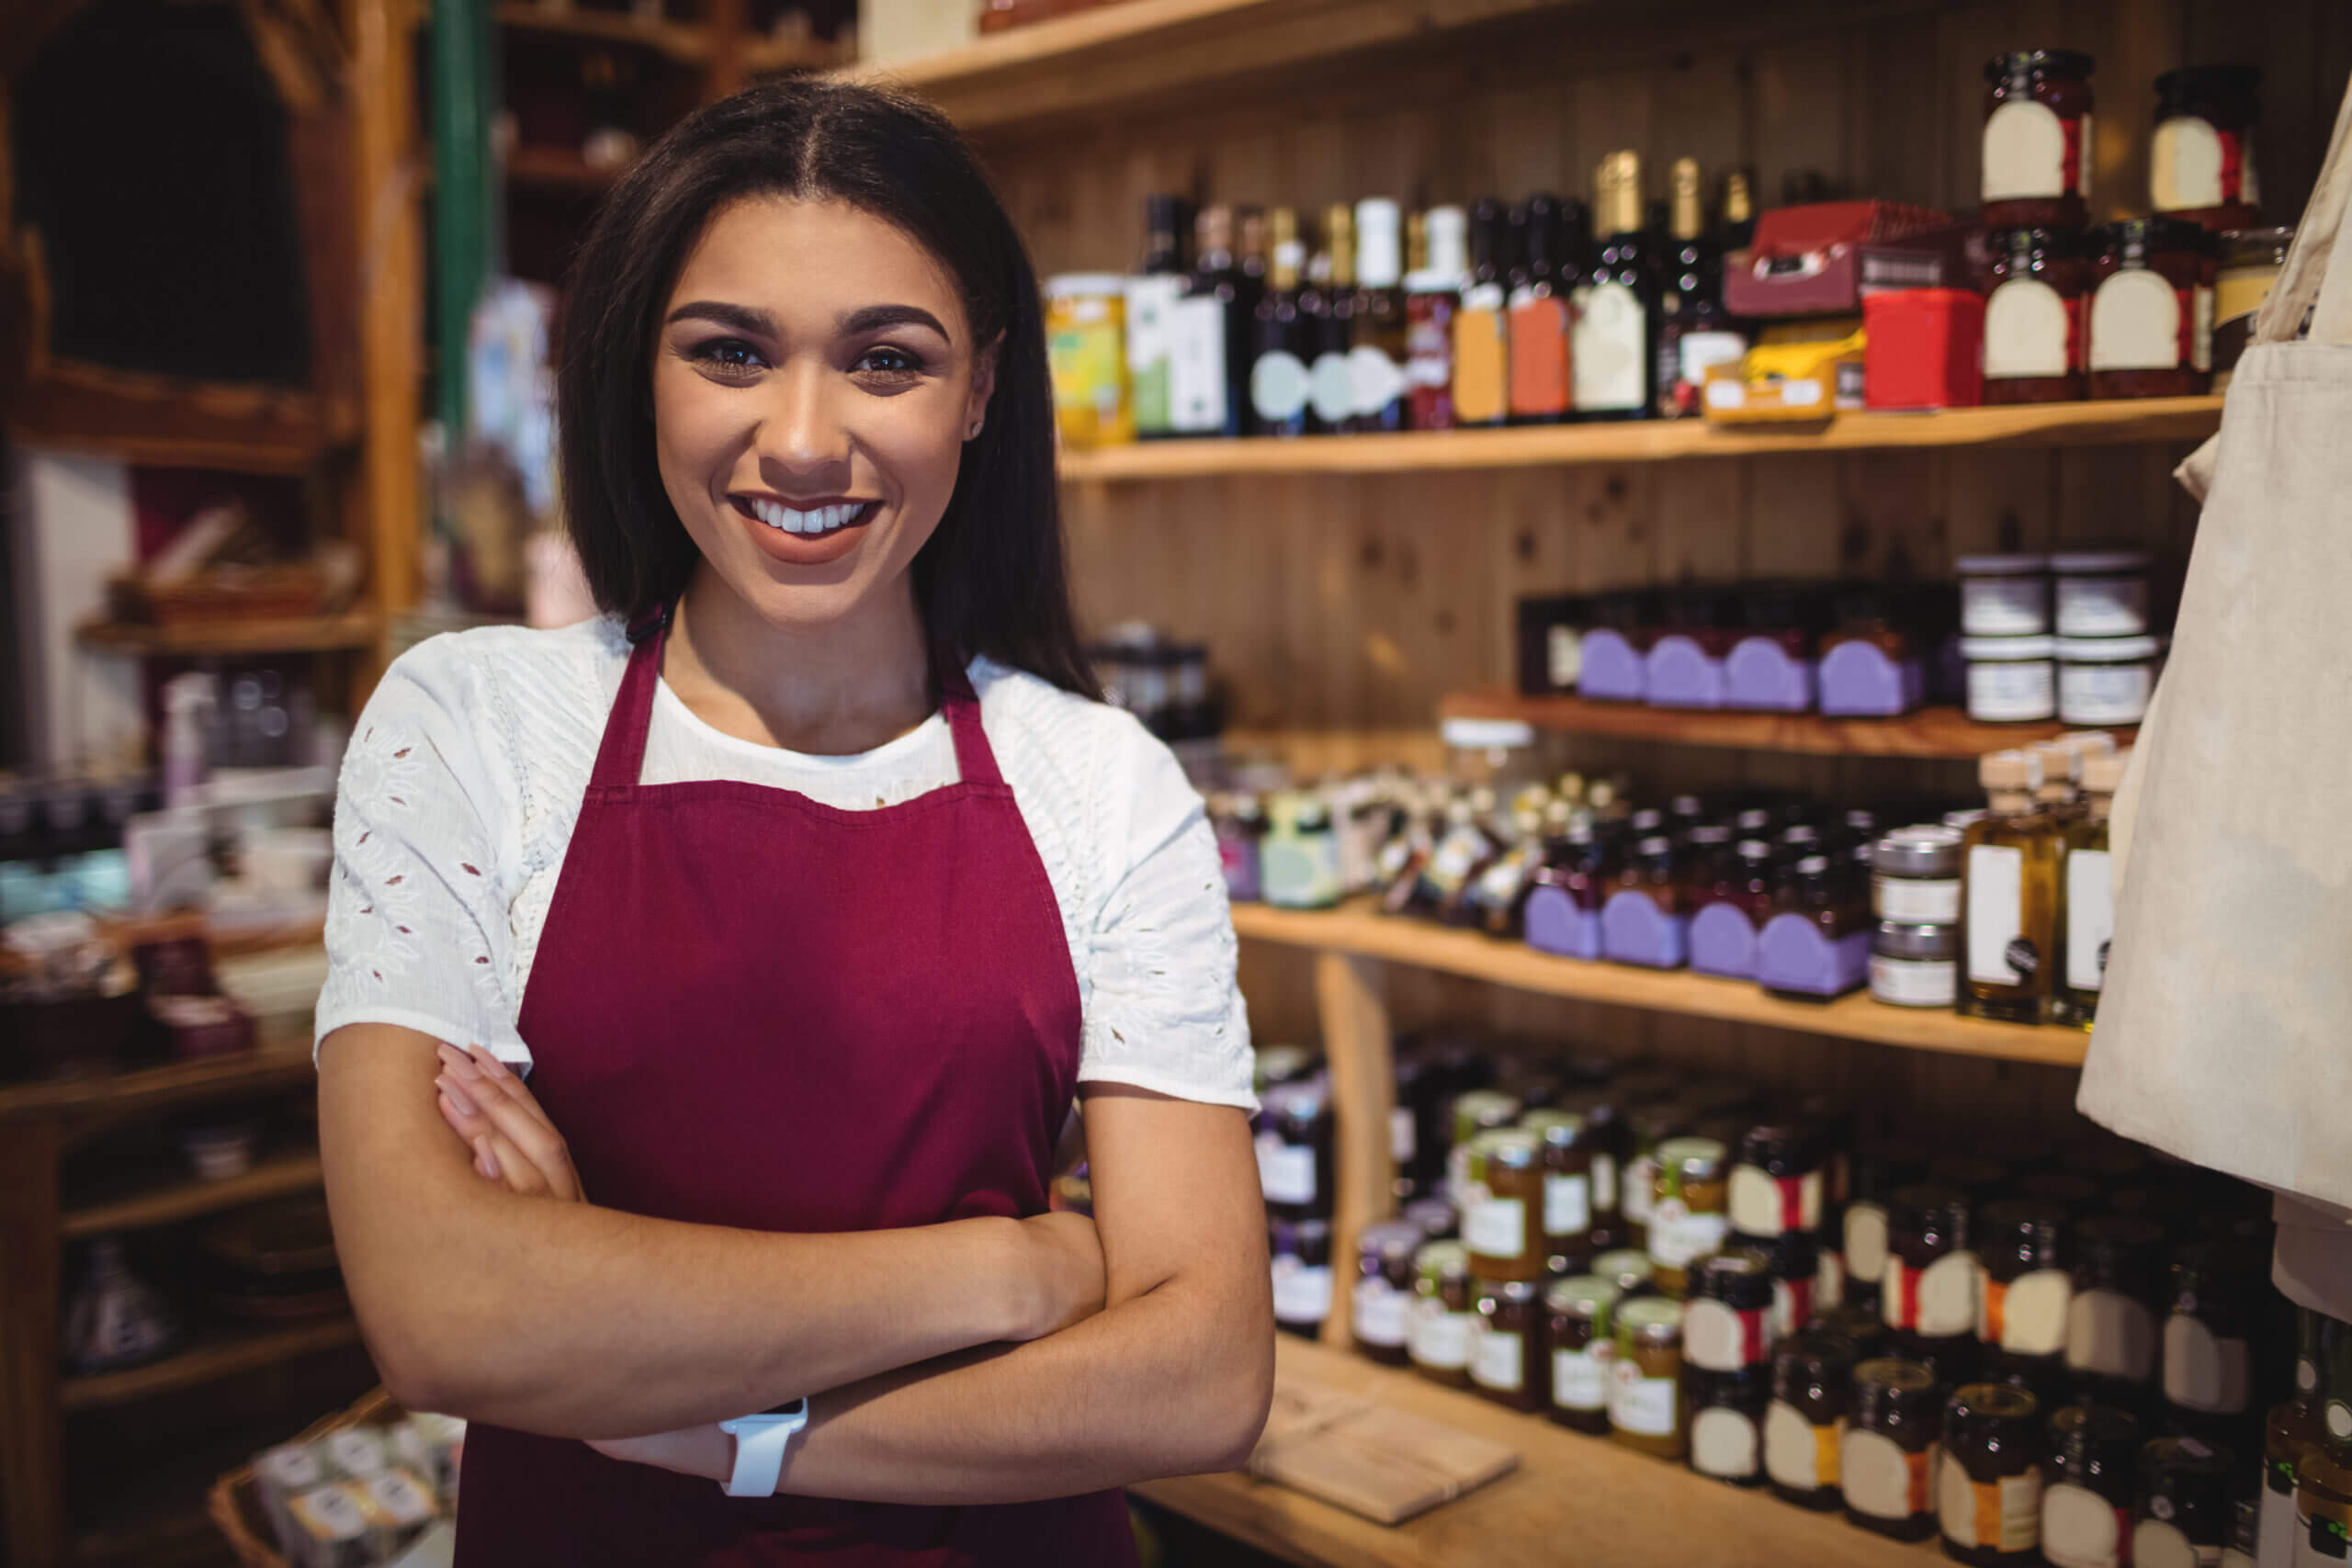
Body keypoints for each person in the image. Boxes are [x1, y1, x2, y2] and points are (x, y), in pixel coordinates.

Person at [314, 77, 1272, 1564]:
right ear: (644, 369)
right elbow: (442, 1314)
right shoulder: (473, 725)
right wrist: (1007, 1271)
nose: (806, 439)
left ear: (980, 391)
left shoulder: (1102, 780)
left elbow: (1204, 1374)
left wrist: (689, 1422)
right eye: (732, 352)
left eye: (887, 359)